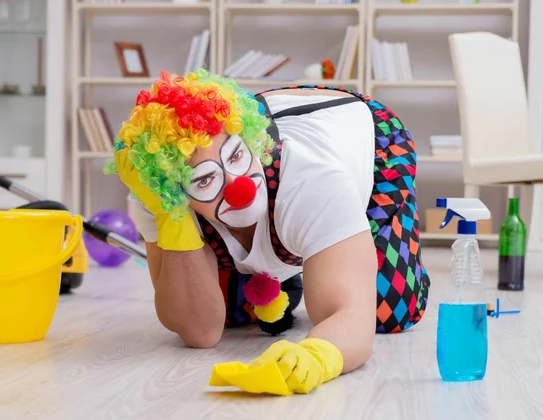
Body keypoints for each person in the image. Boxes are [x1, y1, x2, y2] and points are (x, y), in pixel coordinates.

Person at [104, 68, 430, 396]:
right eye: (204, 180)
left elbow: (351, 319)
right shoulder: (159, 196)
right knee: (230, 314)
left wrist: (312, 358)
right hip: (261, 188)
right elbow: (199, 331)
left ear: (248, 139)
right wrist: (171, 215)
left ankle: (303, 259)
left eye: (236, 155)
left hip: (372, 140)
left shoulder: (311, 179)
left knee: (389, 313)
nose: (239, 188)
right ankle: (285, 269)